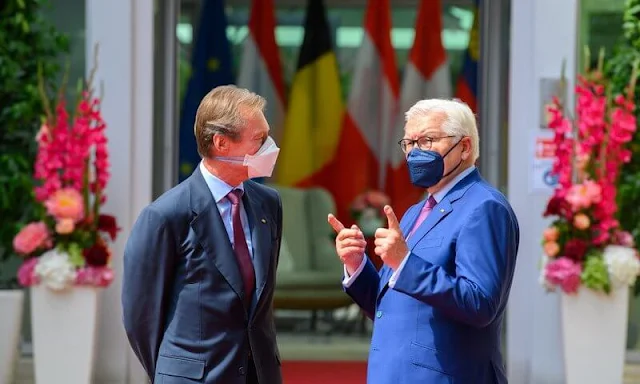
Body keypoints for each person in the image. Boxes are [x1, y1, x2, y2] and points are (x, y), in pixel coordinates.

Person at [328, 99, 519, 384]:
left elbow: (479, 304)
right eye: (409, 143)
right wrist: (357, 265)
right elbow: (391, 305)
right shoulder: (415, 212)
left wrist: (405, 263)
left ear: (464, 147)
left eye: (428, 140)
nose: (416, 152)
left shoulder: (484, 207)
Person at [122, 85, 283, 384]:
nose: (270, 147)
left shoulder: (268, 204)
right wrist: (178, 371)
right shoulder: (165, 215)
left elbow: (260, 300)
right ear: (221, 143)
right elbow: (140, 317)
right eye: (259, 140)